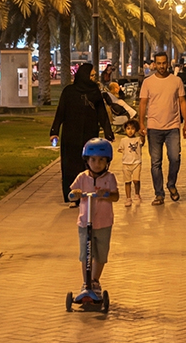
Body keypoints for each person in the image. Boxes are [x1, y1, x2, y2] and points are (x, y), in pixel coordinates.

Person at [51, 62, 114, 206]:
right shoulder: (69, 91)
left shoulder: (95, 92)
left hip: (89, 136)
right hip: (70, 136)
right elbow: (60, 112)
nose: (93, 78)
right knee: (71, 166)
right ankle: (73, 197)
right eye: (91, 75)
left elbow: (102, 114)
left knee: (89, 165)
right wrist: (54, 132)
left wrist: (108, 132)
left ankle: (88, 196)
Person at [68, 137, 119, 296]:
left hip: (104, 222)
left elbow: (115, 197)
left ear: (107, 162)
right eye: (94, 160)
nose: (97, 164)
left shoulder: (109, 178)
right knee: (85, 253)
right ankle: (86, 282)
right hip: (85, 222)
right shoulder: (82, 177)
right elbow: (71, 194)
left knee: (101, 254)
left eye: (102, 160)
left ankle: (95, 280)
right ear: (87, 160)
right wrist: (74, 194)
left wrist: (106, 194)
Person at [137, 52, 186, 206]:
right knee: (155, 163)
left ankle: (171, 184)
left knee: (175, 158)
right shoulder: (148, 82)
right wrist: (141, 123)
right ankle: (159, 194)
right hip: (153, 128)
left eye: (164, 63)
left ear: (168, 63)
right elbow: (142, 104)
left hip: (173, 127)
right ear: (154, 64)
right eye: (158, 63)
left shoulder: (176, 81)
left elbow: (182, 102)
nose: (161, 66)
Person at [117, 119, 144, 201]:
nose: (130, 131)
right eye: (128, 128)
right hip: (126, 164)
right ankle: (128, 197)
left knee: (136, 180)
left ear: (136, 129)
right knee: (127, 181)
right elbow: (120, 149)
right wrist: (125, 152)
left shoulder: (138, 139)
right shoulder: (123, 140)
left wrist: (143, 134)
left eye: (132, 128)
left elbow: (143, 142)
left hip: (136, 163)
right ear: (125, 130)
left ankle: (137, 194)